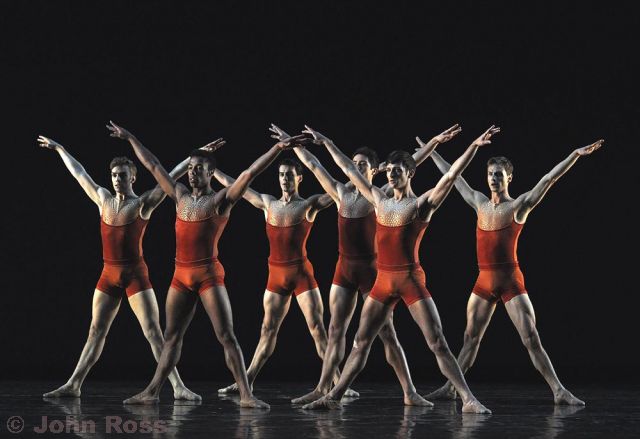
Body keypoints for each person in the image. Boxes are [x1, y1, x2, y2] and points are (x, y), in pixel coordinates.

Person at [301, 125, 498, 413]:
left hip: (409, 280)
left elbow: (451, 176)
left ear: (410, 173)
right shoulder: (378, 200)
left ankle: (469, 399)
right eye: (390, 170)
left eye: (398, 170)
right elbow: (347, 168)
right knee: (360, 342)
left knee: (437, 342)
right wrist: (327, 141)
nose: (392, 174)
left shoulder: (421, 204)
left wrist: (473, 148)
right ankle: (333, 397)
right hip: (382, 281)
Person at [107, 121, 303, 407]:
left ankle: (246, 395)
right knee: (171, 338)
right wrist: (130, 138)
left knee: (226, 336)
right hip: (180, 276)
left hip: (209, 275)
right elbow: (153, 166)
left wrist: (277, 149)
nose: (192, 172)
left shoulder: (221, 200)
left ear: (211, 173)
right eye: (190, 168)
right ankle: (152, 392)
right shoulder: (180, 195)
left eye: (199, 168)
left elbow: (248, 174)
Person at [424, 138, 604, 405]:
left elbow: (548, 180)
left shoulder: (519, 206)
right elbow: (454, 177)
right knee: (470, 339)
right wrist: (432, 152)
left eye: (499, 174)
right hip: (484, 281)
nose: (494, 179)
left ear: (509, 177)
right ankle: (451, 388)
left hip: (510, 281)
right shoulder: (479, 202)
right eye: (490, 174)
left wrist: (574, 155)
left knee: (531, 338)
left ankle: (559, 391)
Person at [38, 134, 204, 401]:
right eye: (114, 175)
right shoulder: (103, 199)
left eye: (123, 175)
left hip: (135, 275)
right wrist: (61, 149)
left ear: (133, 177)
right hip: (108, 275)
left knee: (153, 332)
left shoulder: (143, 204)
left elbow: (169, 176)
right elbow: (80, 174)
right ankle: (74, 385)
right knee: (96, 331)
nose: (117, 179)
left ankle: (178, 387)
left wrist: (191, 160)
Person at [214, 137, 346, 395]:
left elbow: (339, 191)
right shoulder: (268, 203)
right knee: (267, 330)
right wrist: (213, 170)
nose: (284, 179)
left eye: (289, 175)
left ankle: (338, 383)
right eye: (281, 175)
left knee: (318, 330)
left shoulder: (309, 205)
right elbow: (236, 185)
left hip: (302, 275)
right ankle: (246, 381)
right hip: (275, 276)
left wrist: (365, 177)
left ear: (299, 179)